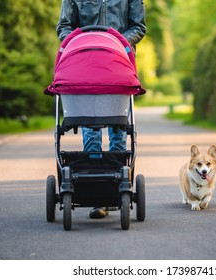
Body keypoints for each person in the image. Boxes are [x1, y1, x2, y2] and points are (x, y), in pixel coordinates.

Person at [56, 0, 146, 219]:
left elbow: (138, 27)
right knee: (90, 124)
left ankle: (114, 189)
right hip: (85, 65)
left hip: (118, 63)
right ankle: (96, 191)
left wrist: (116, 42)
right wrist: (85, 42)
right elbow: (64, 27)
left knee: (118, 126)